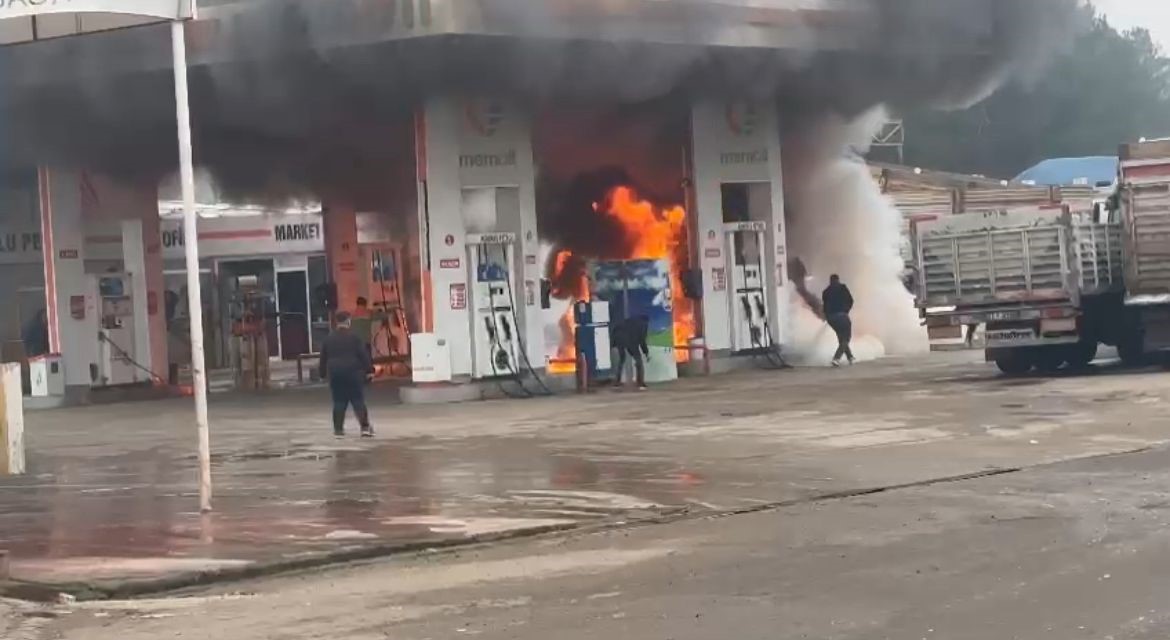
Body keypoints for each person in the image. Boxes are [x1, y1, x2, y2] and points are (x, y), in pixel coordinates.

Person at [319, 311, 374, 438]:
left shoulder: (329, 338)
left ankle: (338, 430)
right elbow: (363, 355)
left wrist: (322, 374)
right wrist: (369, 371)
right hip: (353, 373)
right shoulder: (354, 337)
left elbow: (323, 358)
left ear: (336, 322)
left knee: (339, 401)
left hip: (336, 374)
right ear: (348, 321)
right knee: (358, 400)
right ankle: (365, 428)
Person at [822, 274, 855, 366]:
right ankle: (836, 358)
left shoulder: (825, 291)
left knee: (841, 338)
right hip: (842, 316)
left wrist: (827, 316)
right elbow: (851, 300)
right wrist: (846, 311)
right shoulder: (842, 288)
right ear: (838, 280)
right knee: (846, 339)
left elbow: (824, 307)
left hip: (831, 318)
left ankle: (850, 357)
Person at [612, 315, 650, 390]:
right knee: (639, 362)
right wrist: (646, 353)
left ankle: (616, 382)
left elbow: (616, 329)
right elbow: (642, 341)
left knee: (621, 360)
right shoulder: (643, 325)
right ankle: (640, 383)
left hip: (619, 340)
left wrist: (613, 343)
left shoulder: (629, 321)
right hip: (631, 342)